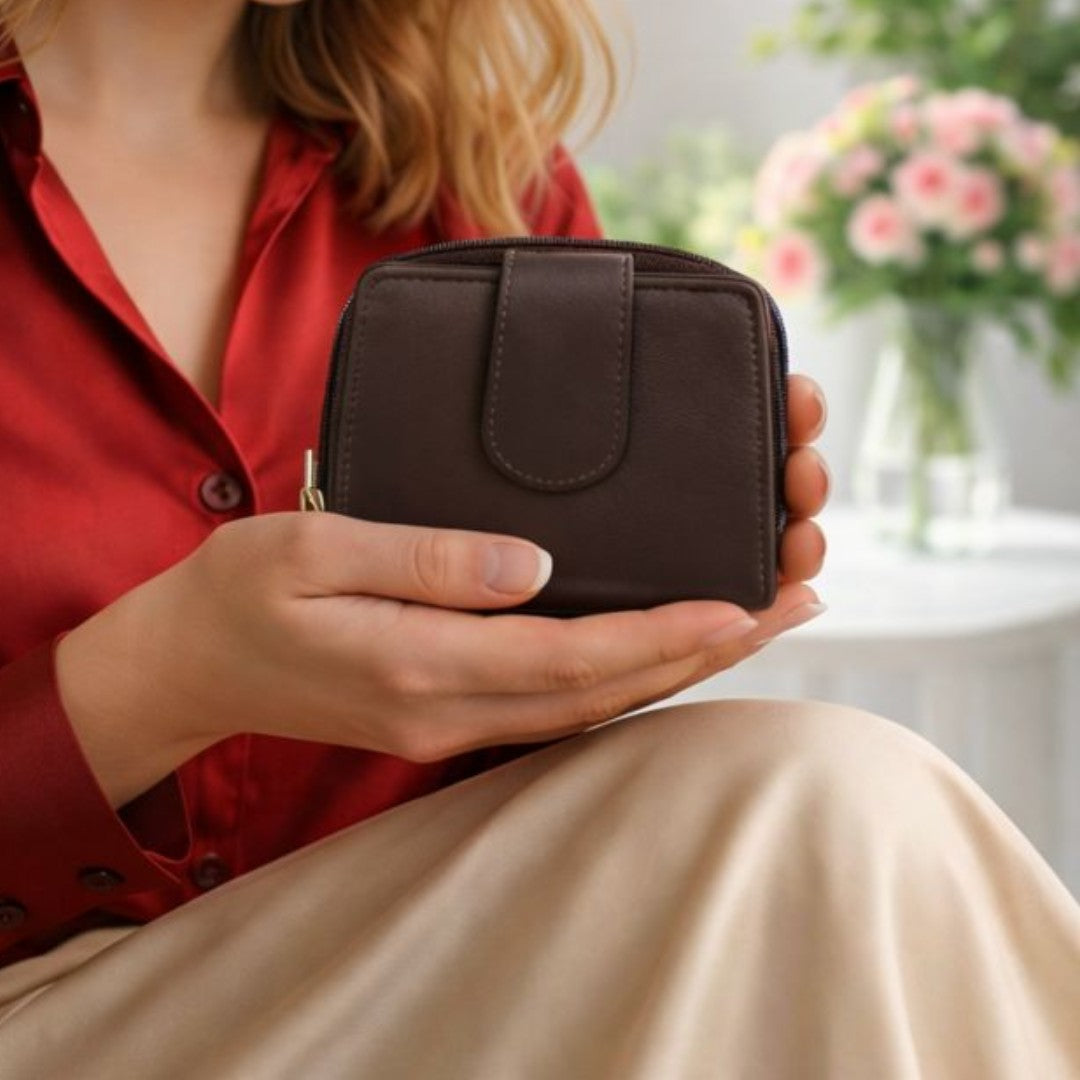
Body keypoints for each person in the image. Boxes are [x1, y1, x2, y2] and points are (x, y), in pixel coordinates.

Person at [0, 0, 1077, 1076]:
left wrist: (603, 657)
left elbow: (542, 767)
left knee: (830, 810)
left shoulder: (478, 174)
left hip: (427, 974)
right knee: (815, 793)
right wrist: (162, 684)